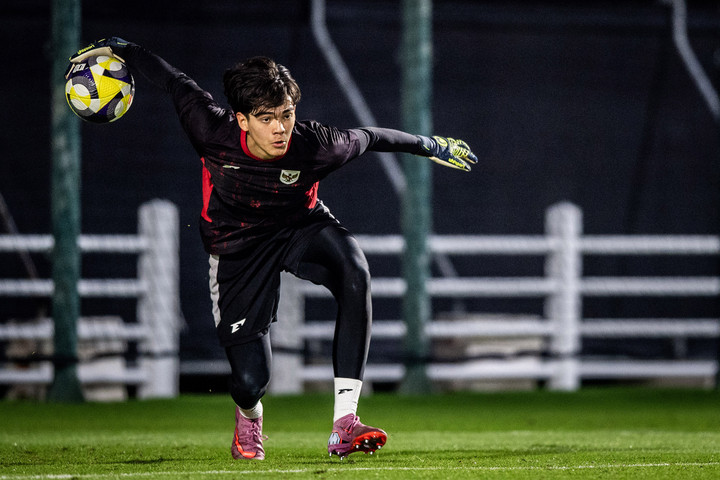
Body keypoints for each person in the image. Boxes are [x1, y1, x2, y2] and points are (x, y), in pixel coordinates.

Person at [67, 37, 477, 460]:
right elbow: (174, 80)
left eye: (286, 114)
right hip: (237, 248)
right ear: (242, 120)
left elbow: (371, 137)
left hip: (298, 226)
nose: (280, 128)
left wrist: (431, 145)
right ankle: (249, 417)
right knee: (251, 382)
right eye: (267, 118)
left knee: (355, 271)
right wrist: (120, 48)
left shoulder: (316, 145)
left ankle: (345, 424)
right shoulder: (210, 128)